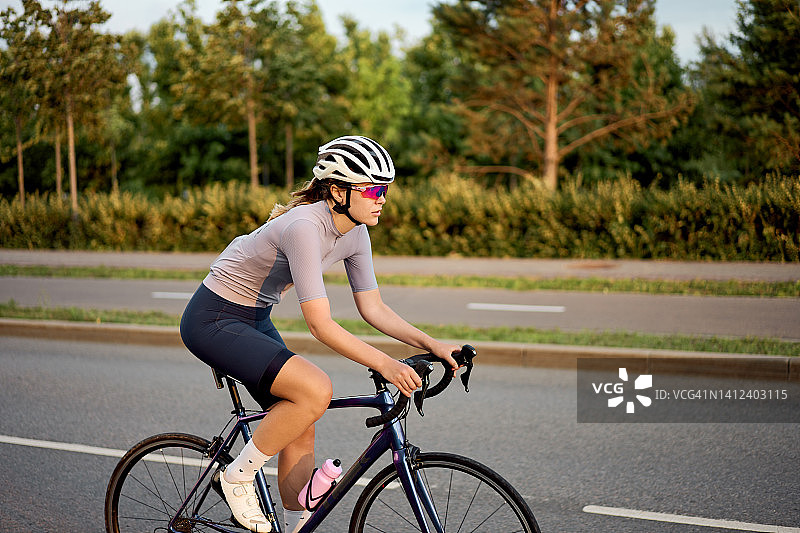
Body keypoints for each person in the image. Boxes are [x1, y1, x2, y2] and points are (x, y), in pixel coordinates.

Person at [180, 135, 461, 533]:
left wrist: (433, 344)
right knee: (315, 389)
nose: (383, 198)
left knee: (301, 415)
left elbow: (373, 308)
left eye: (386, 190)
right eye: (375, 189)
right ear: (337, 191)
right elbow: (320, 324)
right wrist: (385, 362)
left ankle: (296, 525)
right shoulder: (304, 227)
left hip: (255, 316)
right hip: (213, 319)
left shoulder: (356, 231)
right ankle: (236, 477)